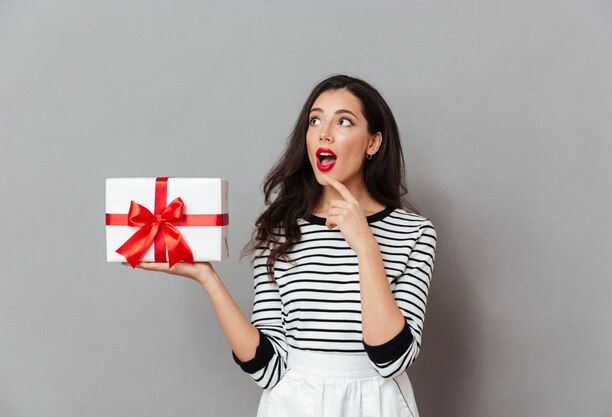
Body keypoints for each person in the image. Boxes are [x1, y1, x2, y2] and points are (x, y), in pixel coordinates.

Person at [123, 74, 437, 417]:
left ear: (373, 143)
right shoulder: (278, 229)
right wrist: (206, 278)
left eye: (344, 121)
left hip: (376, 404)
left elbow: (392, 359)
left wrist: (364, 244)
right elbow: (267, 368)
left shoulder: (414, 232)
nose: (324, 133)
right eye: (315, 120)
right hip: (294, 404)